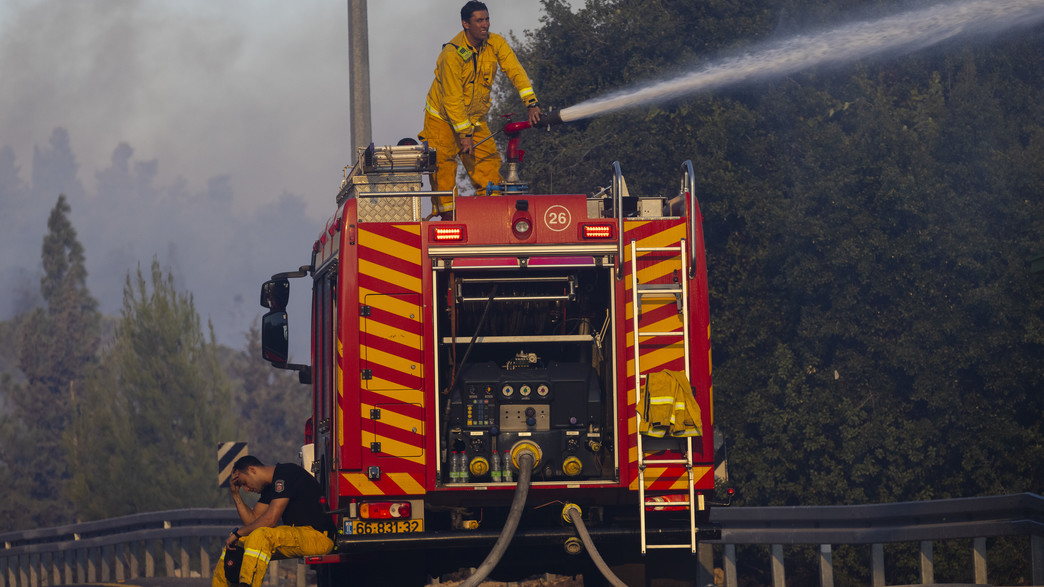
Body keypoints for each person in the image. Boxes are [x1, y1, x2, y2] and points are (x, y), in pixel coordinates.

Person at [420, 1, 543, 220]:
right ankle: (448, 221)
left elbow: (515, 71)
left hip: (474, 120)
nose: (485, 25)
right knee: (443, 170)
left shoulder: (495, 43)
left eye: (486, 19)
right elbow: (452, 98)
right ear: (465, 24)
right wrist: (464, 135)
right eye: (479, 20)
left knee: (488, 166)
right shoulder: (452, 53)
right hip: (442, 121)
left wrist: (531, 103)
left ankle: (492, 218)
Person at [212, 456, 335, 587]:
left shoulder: (286, 473)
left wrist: (238, 533)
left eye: (244, 483)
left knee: (260, 536)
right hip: (299, 534)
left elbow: (270, 520)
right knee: (236, 544)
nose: (246, 490)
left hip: (319, 537)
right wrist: (235, 494)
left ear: (252, 470)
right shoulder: (270, 488)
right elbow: (252, 523)